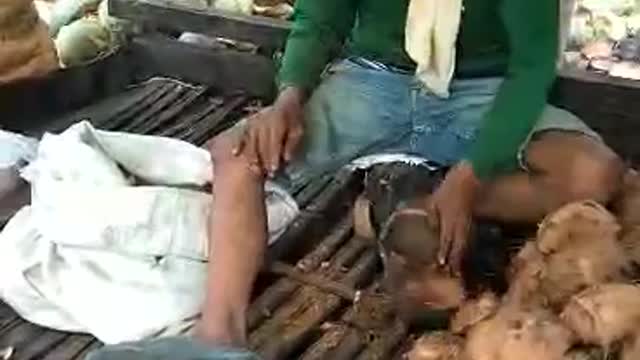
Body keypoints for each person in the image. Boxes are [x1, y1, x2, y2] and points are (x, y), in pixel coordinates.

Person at [92, 0, 625, 357]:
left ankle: (417, 191)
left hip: (480, 90)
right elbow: (320, 18)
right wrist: (288, 98)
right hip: (375, 84)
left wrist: (472, 174)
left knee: (594, 173)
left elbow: (531, 67)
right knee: (237, 155)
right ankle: (218, 337)